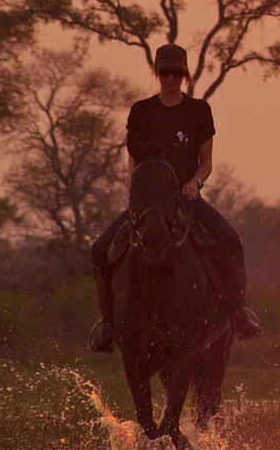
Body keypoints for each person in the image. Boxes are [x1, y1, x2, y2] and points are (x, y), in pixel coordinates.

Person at [87, 44, 263, 352]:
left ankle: (238, 311)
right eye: (164, 72)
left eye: (176, 72)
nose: (170, 78)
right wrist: (143, 186)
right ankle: (108, 324)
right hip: (149, 203)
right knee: (100, 249)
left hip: (186, 199)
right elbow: (133, 160)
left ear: (184, 74)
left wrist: (195, 182)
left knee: (232, 241)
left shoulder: (198, 111)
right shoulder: (141, 111)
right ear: (157, 74)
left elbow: (206, 161)